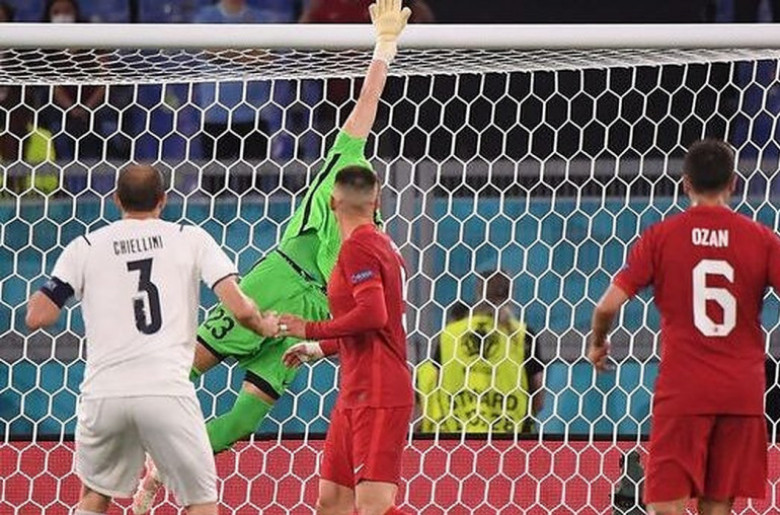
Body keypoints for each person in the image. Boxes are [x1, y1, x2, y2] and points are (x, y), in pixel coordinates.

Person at [131, 1, 411, 512]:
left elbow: (366, 103)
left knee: (232, 411)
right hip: (287, 288)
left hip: (306, 304)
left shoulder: (364, 222)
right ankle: (140, 451)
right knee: (197, 377)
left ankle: (157, 469)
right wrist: (384, 48)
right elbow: (367, 103)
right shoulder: (358, 192)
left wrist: (385, 48)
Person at [24, 166, 280, 515]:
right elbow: (240, 308)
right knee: (201, 502)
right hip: (166, 391)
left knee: (95, 497)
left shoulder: (85, 247)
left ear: (116, 200)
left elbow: (38, 316)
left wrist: (46, 296)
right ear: (163, 199)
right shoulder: (191, 238)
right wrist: (263, 326)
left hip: (104, 394)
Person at [587, 139, 777, 515]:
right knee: (717, 504)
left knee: (664, 503)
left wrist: (597, 343)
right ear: (734, 183)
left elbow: (606, 306)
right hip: (741, 392)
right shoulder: (761, 238)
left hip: (685, 389)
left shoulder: (662, 237)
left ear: (686, 183)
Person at [278, 163, 413, 512]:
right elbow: (374, 326)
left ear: (332, 203)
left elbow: (373, 314)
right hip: (356, 390)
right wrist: (319, 347)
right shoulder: (384, 246)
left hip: (379, 391)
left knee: (374, 508)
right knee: (332, 502)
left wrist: (310, 328)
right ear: (377, 202)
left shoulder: (359, 248)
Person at [416, 271, 544, 434]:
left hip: (457, 437)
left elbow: (438, 387)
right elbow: (538, 399)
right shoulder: (522, 335)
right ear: (510, 295)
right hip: (508, 438)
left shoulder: (450, 334)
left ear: (478, 292)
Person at [194, 0, 275, 194]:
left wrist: (226, 51)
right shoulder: (207, 17)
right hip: (215, 115)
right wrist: (247, 53)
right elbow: (209, 51)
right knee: (215, 187)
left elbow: (265, 59)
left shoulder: (260, 19)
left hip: (254, 115)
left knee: (252, 187)